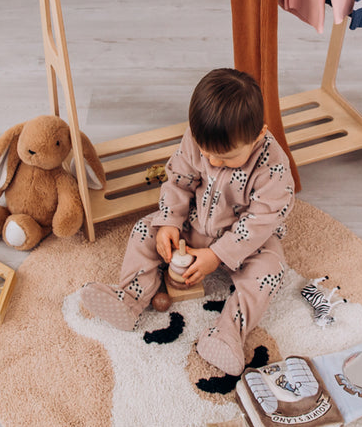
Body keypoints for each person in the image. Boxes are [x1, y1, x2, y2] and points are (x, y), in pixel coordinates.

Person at [81, 67, 295, 375]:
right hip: (192, 224)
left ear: (258, 134)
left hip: (245, 242)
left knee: (271, 271)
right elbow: (178, 181)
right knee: (145, 229)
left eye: (226, 157)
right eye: (206, 153)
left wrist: (217, 255)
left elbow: (261, 220)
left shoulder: (272, 166)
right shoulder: (198, 140)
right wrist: (169, 222)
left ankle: (227, 333)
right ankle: (130, 297)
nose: (213, 162)